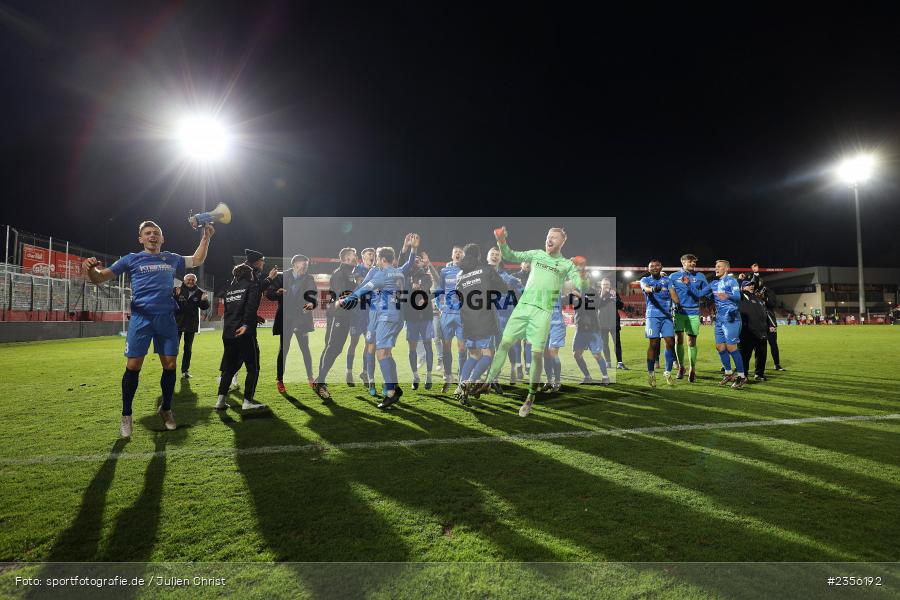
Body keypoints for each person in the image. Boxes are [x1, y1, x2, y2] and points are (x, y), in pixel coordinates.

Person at [83, 220, 213, 437]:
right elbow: (99, 278)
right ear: (140, 239)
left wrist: (206, 238)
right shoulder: (131, 259)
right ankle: (126, 415)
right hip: (141, 319)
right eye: (148, 233)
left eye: (156, 233)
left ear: (162, 239)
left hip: (167, 319)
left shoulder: (171, 258)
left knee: (170, 365)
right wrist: (90, 270)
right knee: (133, 366)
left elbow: (197, 259)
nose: (152, 236)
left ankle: (166, 408)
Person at [479, 226, 588, 417]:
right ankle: (488, 382)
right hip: (523, 307)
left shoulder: (565, 264)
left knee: (537, 355)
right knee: (504, 344)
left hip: (543, 312)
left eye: (554, 237)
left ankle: (530, 398)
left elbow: (580, 286)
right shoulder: (536, 254)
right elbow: (510, 255)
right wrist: (501, 240)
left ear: (563, 242)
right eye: (548, 236)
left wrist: (582, 274)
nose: (549, 239)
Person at [339, 234, 418, 408]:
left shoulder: (382, 275)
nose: (376, 261)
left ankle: (390, 393)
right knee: (387, 353)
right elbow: (410, 263)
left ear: (382, 259)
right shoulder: (399, 271)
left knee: (381, 354)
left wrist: (343, 301)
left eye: (378, 258)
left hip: (386, 317)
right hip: (397, 316)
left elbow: (363, 289)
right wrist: (414, 249)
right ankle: (395, 387)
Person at [454, 243, 510, 405]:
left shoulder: (460, 276)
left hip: (467, 322)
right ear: (479, 256)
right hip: (484, 319)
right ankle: (469, 382)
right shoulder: (486, 270)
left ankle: (461, 386)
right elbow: (503, 288)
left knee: (473, 355)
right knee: (487, 354)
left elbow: (459, 298)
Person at [216, 264, 266, 411]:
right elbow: (250, 307)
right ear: (249, 274)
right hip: (244, 332)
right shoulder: (252, 286)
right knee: (253, 368)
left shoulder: (230, 289)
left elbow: (234, 309)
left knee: (229, 368)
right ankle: (247, 402)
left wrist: (254, 318)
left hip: (228, 332)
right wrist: (246, 325)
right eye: (251, 273)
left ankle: (220, 401)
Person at [692, 259, 748, 389]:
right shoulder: (714, 283)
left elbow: (738, 297)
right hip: (719, 319)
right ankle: (728, 374)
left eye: (719, 267)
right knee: (720, 348)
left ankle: (742, 376)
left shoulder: (731, 281)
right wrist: (689, 284)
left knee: (731, 348)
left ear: (726, 269)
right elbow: (699, 294)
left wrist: (726, 295)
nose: (716, 269)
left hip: (731, 318)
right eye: (715, 267)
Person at [267, 254, 318, 394]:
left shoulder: (309, 278)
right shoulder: (282, 277)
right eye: (303, 264)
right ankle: (279, 380)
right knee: (284, 349)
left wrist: (311, 303)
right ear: (295, 264)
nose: (306, 266)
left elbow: (313, 295)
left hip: (302, 319)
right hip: (286, 319)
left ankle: (310, 378)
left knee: (305, 350)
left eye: (307, 264)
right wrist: (277, 292)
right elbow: (269, 294)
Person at [313, 247, 358, 400]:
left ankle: (320, 380)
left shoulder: (349, 274)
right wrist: (361, 288)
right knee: (333, 347)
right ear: (345, 259)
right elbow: (343, 295)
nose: (355, 258)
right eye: (353, 256)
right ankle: (320, 383)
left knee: (334, 348)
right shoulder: (339, 274)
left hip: (343, 316)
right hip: (338, 316)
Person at [639, 259, 681, 387]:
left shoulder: (667, 281)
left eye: (657, 265)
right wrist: (652, 289)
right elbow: (645, 289)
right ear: (648, 269)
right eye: (652, 266)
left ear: (661, 267)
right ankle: (651, 374)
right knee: (654, 343)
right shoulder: (645, 280)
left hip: (667, 316)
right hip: (652, 316)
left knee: (670, 341)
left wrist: (678, 304)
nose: (654, 267)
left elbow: (673, 294)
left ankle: (667, 372)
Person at [487, 246, 524, 385]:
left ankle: (513, 369)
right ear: (487, 257)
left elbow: (523, 290)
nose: (495, 256)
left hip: (505, 317)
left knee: (506, 346)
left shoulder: (508, 277)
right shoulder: (483, 275)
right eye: (492, 254)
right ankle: (495, 373)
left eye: (497, 254)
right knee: (491, 347)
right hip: (489, 317)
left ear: (500, 258)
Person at [571, 261, 610, 385]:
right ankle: (587, 376)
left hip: (592, 328)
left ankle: (605, 376)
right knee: (576, 354)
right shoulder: (575, 291)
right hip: (580, 328)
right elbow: (573, 305)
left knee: (597, 354)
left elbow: (594, 306)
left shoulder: (592, 292)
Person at [669, 254, 707, 382]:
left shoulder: (700, 276)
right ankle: (681, 367)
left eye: (694, 262)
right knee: (678, 340)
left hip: (693, 313)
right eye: (691, 261)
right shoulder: (673, 277)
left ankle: (692, 369)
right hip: (678, 313)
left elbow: (706, 291)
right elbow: (669, 292)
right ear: (683, 262)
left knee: (691, 342)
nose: (693, 264)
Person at [436, 245, 467, 393]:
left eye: (460, 252)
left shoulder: (468, 271)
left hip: (461, 314)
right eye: (455, 252)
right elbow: (439, 289)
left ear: (463, 255)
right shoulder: (444, 271)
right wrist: (439, 306)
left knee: (462, 347)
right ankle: (448, 376)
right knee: (446, 346)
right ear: (452, 255)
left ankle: (462, 380)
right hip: (447, 314)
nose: (458, 254)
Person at [404, 252, 435, 390]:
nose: (416, 261)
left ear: (423, 263)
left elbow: (427, 291)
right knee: (412, 348)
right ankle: (415, 376)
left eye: (419, 260)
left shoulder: (427, 277)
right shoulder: (405, 277)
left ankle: (429, 375)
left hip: (426, 317)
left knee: (428, 345)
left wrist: (421, 289)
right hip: (411, 317)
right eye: (414, 260)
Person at [346, 247, 376, 386]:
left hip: (370, 313)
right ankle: (349, 371)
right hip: (357, 313)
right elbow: (362, 284)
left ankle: (364, 372)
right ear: (363, 257)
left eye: (373, 255)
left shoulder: (376, 270)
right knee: (353, 342)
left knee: (369, 344)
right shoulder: (357, 269)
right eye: (370, 254)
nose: (372, 256)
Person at [174, 273, 210, 378]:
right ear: (184, 281)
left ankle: (185, 371)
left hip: (191, 324)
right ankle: (171, 368)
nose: (190, 281)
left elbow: (204, 307)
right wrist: (175, 296)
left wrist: (204, 300)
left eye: (193, 280)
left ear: (195, 281)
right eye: (188, 280)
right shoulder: (177, 289)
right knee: (174, 348)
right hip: (177, 323)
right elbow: (171, 305)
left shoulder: (200, 292)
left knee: (188, 349)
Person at [738, 280, 769, 381]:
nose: (751, 286)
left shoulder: (758, 300)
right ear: (742, 288)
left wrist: (768, 327)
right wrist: (739, 281)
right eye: (748, 285)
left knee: (762, 355)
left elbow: (765, 314)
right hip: (746, 333)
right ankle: (744, 375)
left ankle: (759, 374)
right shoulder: (739, 298)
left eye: (752, 285)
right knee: (745, 356)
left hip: (761, 332)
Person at [597, 277, 626, 369]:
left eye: (607, 284)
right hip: (602, 323)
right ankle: (608, 362)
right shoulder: (597, 294)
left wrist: (614, 298)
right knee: (604, 344)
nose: (606, 286)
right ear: (601, 285)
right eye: (604, 284)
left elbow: (621, 306)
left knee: (617, 343)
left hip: (614, 323)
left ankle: (620, 363)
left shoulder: (614, 294)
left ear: (610, 285)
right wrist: (602, 296)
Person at [541, 294, 567, 393]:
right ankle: (548, 381)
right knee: (546, 354)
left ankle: (557, 382)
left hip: (557, 325)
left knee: (552, 352)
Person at [511, 261, 532, 379]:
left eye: (529, 262)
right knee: (517, 342)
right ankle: (519, 368)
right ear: (521, 264)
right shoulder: (514, 276)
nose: (527, 264)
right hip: (517, 312)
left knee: (528, 342)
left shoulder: (535, 277)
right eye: (525, 262)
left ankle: (528, 367)